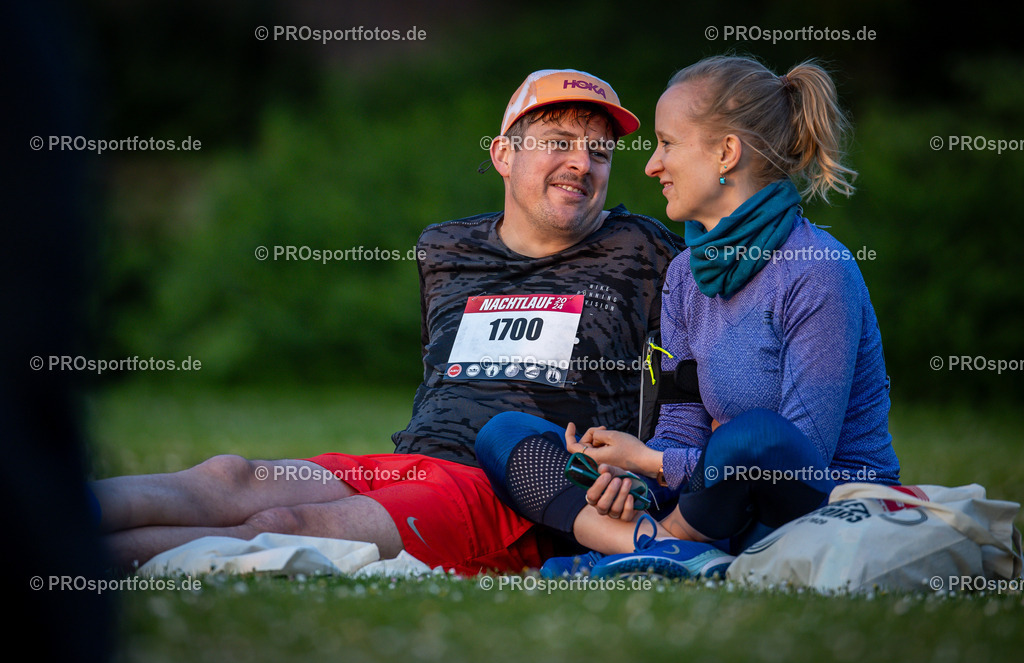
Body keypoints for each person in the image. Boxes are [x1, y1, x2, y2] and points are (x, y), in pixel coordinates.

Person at [92, 69, 685, 575]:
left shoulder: (644, 248)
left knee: (284, 525)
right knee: (228, 476)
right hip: (409, 459)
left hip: (514, 490)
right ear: (504, 154)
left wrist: (647, 476)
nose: (582, 163)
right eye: (558, 141)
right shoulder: (446, 247)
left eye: (600, 151)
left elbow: (693, 381)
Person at [474, 54, 901, 579]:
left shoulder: (817, 270)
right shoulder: (684, 276)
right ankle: (665, 546)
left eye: (666, 143)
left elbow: (801, 455)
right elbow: (681, 428)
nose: (652, 164)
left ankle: (659, 545)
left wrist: (650, 464)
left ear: (726, 153)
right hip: (713, 504)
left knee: (753, 436)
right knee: (503, 433)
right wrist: (630, 476)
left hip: (815, 508)